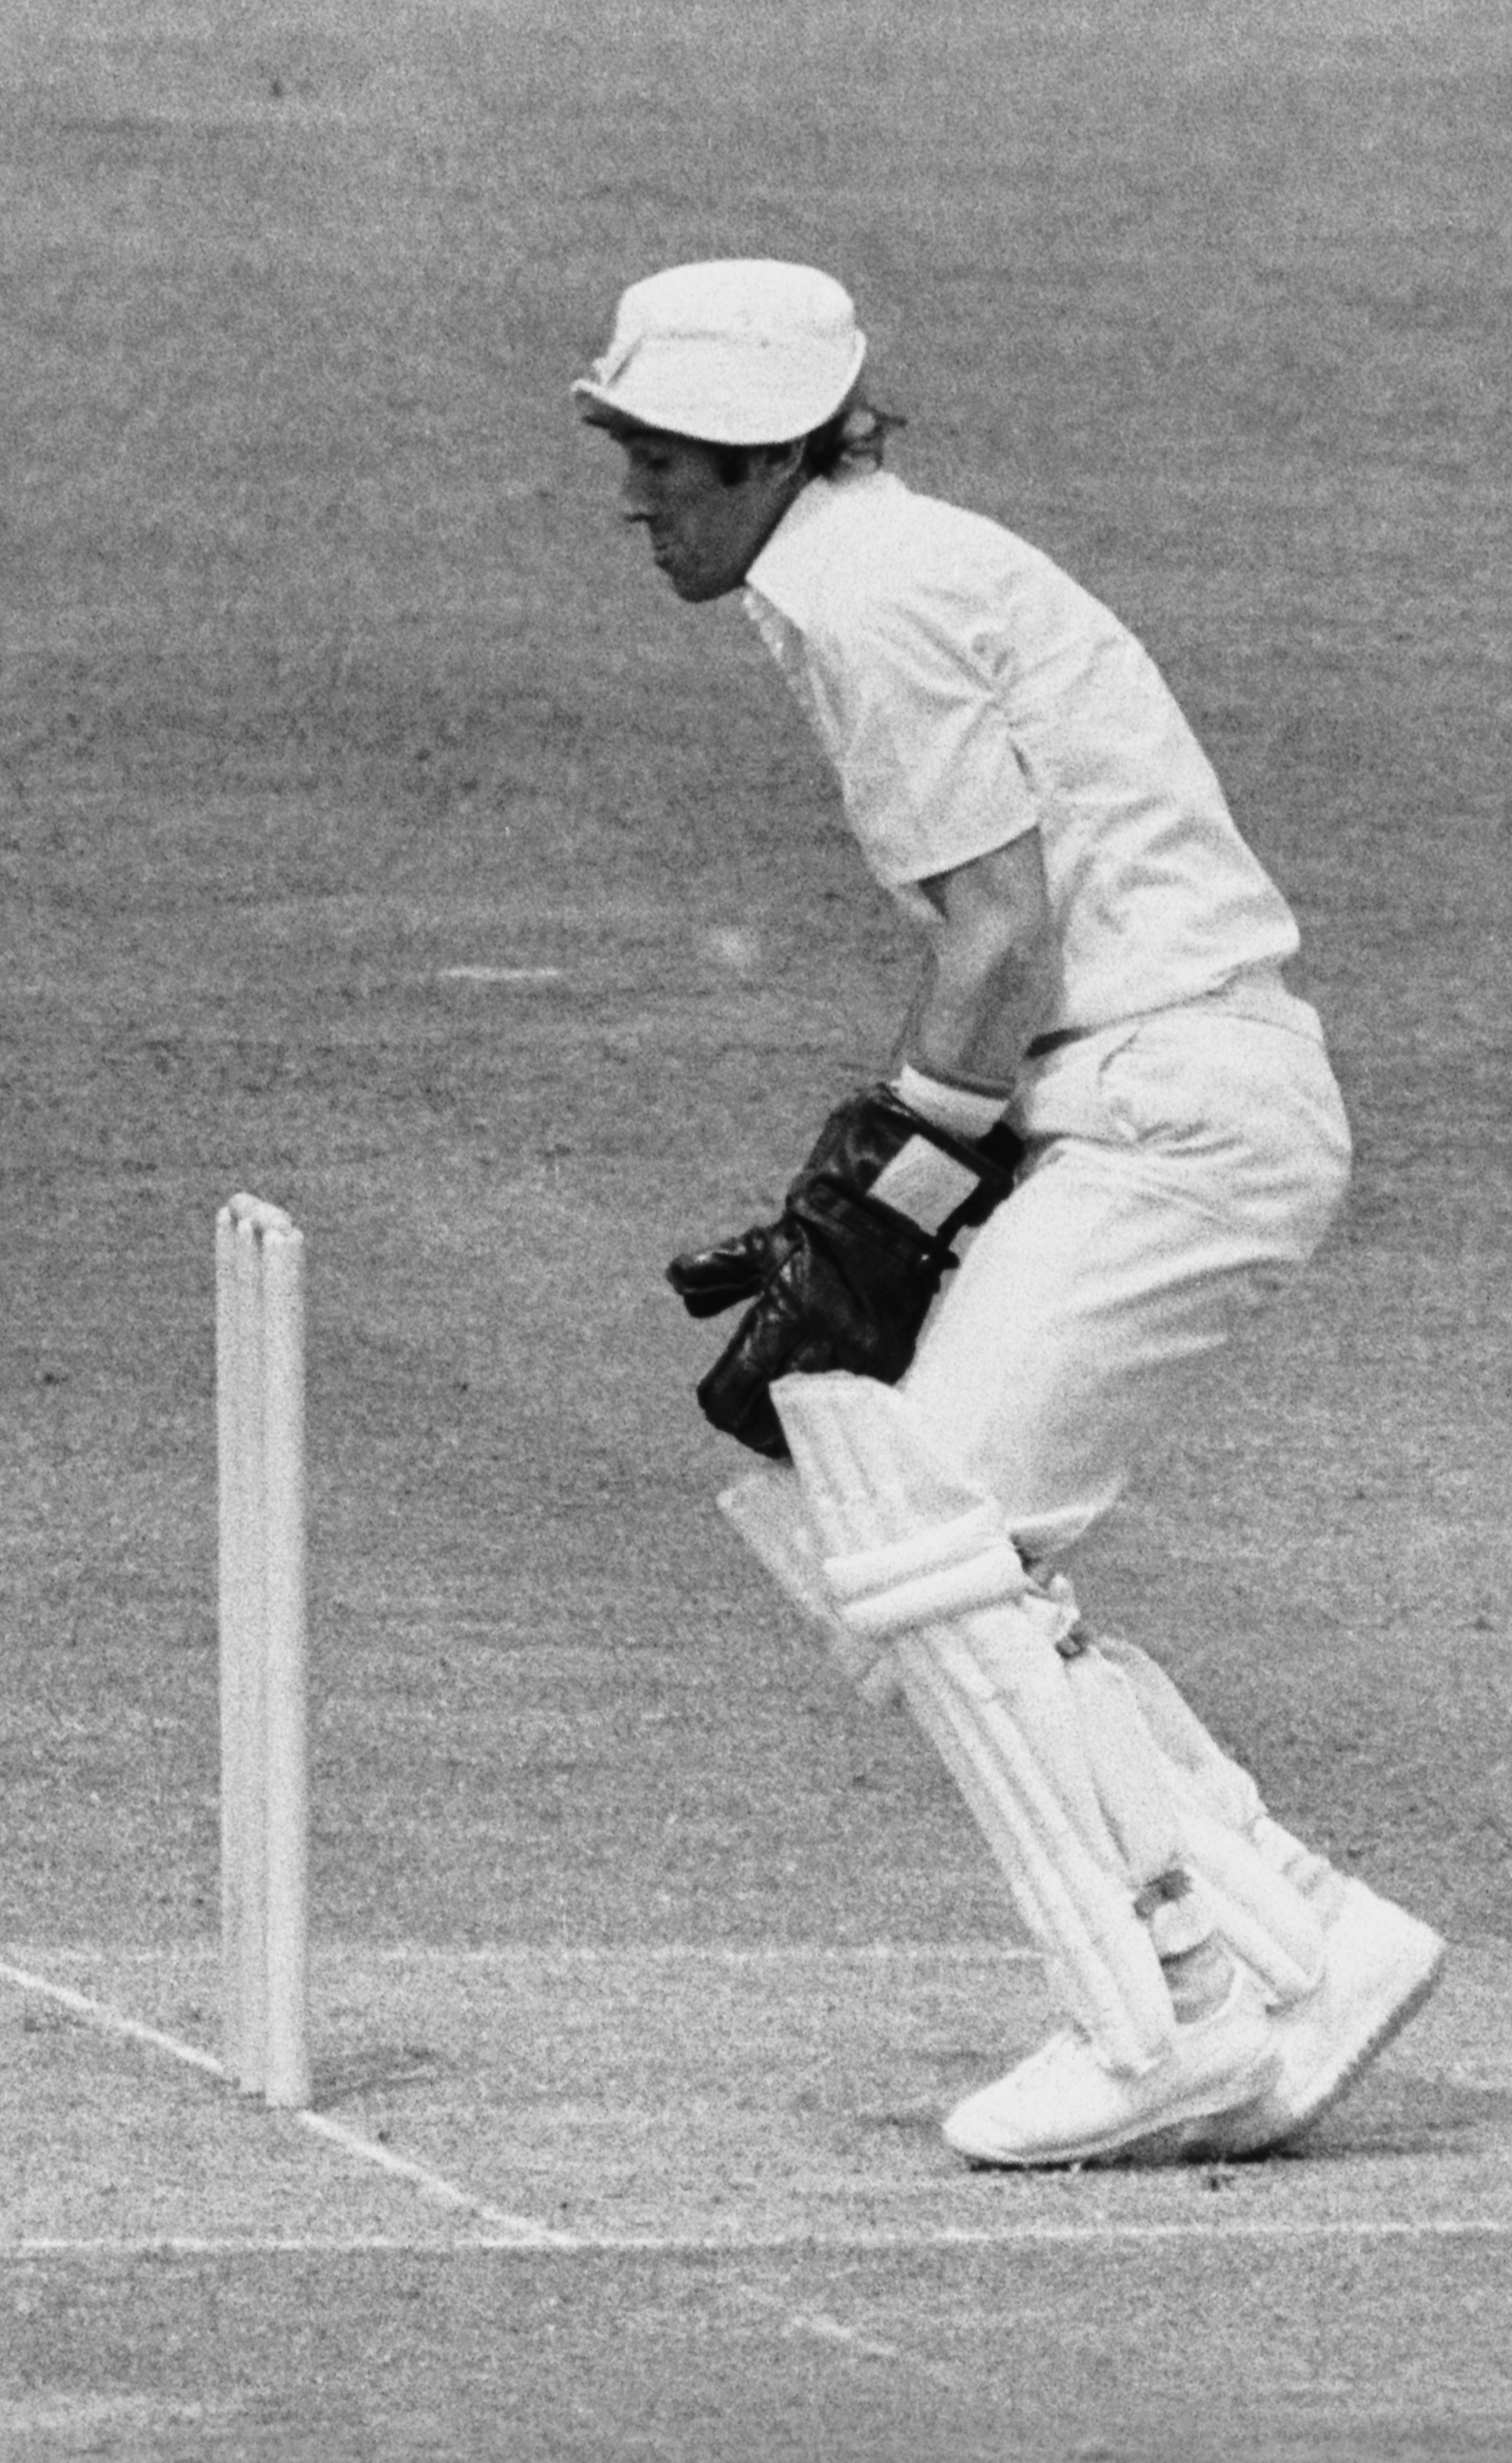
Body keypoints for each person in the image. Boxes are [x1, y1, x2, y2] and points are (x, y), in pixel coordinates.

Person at [577, 258, 1441, 2172]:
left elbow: (994, 926)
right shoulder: (871, 562)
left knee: (918, 1546)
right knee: (872, 1537)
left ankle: (1166, 2024)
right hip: (1145, 1098)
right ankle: (1291, 1924)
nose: (629, 495)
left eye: (651, 457)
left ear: (748, 453)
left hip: (1165, 1106)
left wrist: (899, 1171)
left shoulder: (850, 587)